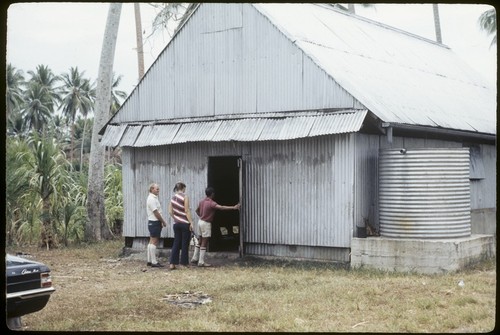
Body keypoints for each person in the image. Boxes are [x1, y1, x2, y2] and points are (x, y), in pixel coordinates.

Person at [191, 186, 240, 267]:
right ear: (212, 194)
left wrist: (201, 215)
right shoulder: (211, 203)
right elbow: (221, 207)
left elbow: (196, 210)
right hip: (206, 223)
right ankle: (201, 261)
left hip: (200, 222)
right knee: (204, 242)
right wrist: (233, 207)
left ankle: (194, 258)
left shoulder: (201, 201)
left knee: (200, 240)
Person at [168, 182, 194, 270]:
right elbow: (186, 210)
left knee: (176, 242)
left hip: (176, 224)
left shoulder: (173, 198)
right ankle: (183, 263)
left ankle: (172, 263)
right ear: (183, 188)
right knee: (184, 243)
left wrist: (176, 218)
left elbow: (170, 211)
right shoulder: (185, 197)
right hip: (184, 223)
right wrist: (191, 222)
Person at [146, 183, 168, 267]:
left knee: (151, 241)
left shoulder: (153, 198)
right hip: (155, 221)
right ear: (152, 189)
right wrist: (163, 221)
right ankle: (154, 262)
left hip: (152, 222)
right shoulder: (151, 199)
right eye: (156, 189)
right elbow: (156, 212)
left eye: (158, 189)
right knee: (155, 241)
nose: (158, 190)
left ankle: (149, 260)